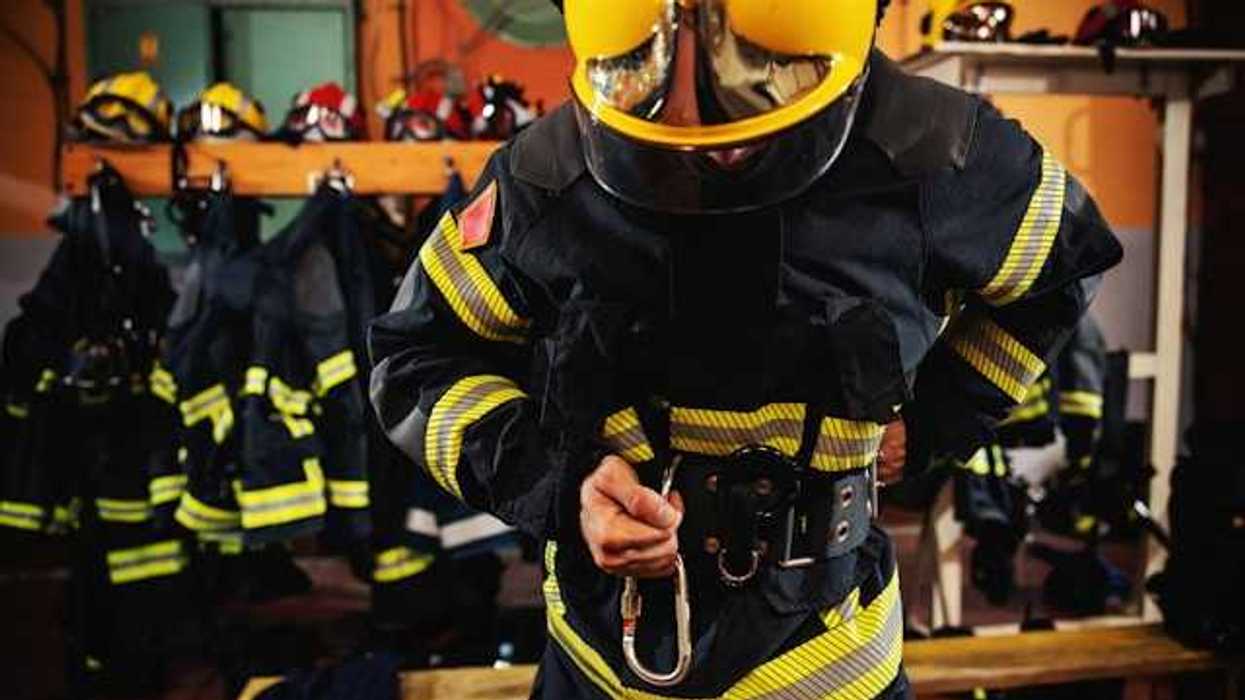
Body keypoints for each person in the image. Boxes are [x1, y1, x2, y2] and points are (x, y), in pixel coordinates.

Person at [369, 0, 1123, 696]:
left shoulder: (938, 155)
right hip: (604, 662)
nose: (708, 143)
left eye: (760, 87)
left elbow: (1063, 268)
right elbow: (417, 357)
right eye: (663, 96)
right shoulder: (546, 175)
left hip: (830, 662)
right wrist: (561, 486)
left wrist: (935, 421)